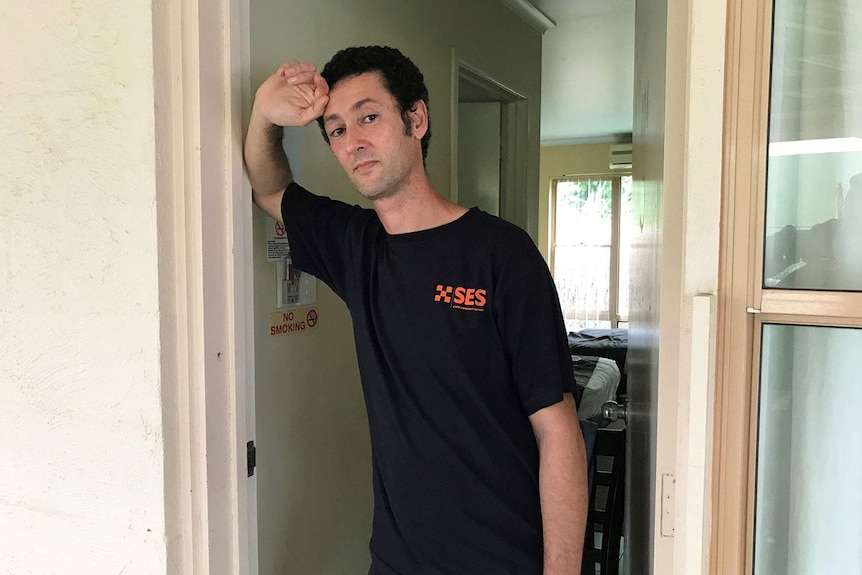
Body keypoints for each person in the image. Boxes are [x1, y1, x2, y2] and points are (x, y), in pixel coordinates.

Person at [244, 46, 587, 575]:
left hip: (504, 558)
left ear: (416, 118)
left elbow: (557, 429)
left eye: (369, 116)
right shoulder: (355, 247)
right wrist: (265, 115)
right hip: (399, 562)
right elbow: (269, 187)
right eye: (336, 130)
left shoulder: (502, 254)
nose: (353, 141)